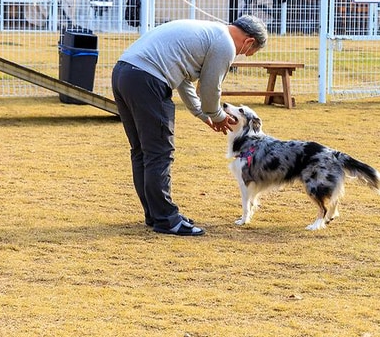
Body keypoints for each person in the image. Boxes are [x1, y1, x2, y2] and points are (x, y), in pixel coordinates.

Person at [111, 15, 268, 236]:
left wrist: (204, 115)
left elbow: (184, 79)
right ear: (249, 41)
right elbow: (211, 89)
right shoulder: (225, 44)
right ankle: (167, 220)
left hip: (124, 72)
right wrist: (217, 115)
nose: (241, 55)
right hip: (148, 80)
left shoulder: (209, 32)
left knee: (142, 152)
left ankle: (156, 213)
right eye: (246, 52)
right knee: (159, 153)